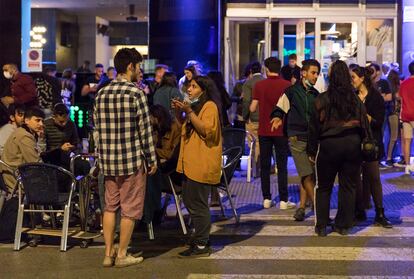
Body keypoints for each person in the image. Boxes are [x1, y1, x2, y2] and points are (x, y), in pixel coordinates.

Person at [94, 48, 157, 268]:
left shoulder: (101, 93)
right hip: (131, 161)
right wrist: (151, 159)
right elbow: (145, 130)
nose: (139, 71)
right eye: (138, 66)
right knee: (130, 209)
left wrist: (99, 157)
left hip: (108, 162)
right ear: (130, 67)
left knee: (110, 207)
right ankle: (121, 255)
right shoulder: (136, 93)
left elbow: (97, 130)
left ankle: (107, 254)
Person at [308, 60, 364, 236]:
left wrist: (311, 149)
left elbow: (313, 126)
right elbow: (363, 124)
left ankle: (322, 225)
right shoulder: (354, 99)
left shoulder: (322, 99)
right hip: (352, 146)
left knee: (324, 186)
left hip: (329, 146)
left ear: (331, 77)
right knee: (348, 186)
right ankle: (344, 225)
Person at [172, 76, 222, 258]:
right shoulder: (196, 107)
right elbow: (183, 131)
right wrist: (180, 113)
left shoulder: (209, 107)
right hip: (190, 164)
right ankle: (200, 238)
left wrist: (189, 112)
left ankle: (202, 244)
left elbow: (206, 131)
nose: (189, 90)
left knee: (198, 204)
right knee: (190, 202)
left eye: (194, 86)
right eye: (189, 86)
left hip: (201, 164)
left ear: (204, 90)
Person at [271, 59, 321, 221]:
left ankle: (301, 206)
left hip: (312, 138)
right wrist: (277, 117)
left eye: (317, 73)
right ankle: (318, 209)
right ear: (303, 73)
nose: (316, 76)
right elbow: (280, 107)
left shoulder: (316, 95)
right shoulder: (292, 91)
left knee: (307, 173)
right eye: (313, 73)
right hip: (296, 136)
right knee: (306, 173)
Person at [250, 57, 295, 210]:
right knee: (282, 165)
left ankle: (266, 198)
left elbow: (252, 108)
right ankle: (283, 200)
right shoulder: (287, 85)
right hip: (281, 130)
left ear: (266, 69)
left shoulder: (259, 85)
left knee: (264, 165)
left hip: (264, 129)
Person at [351, 66, 392, 228]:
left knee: (374, 177)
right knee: (355, 178)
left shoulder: (375, 97)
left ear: (361, 78)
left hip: (371, 143)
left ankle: (380, 212)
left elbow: (379, 122)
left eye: (353, 77)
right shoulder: (352, 96)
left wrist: (366, 117)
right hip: (353, 141)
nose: (351, 80)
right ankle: (359, 210)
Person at [1, 107, 44, 194]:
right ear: (27, 121)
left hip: (16, 173)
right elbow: (34, 162)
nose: (41, 124)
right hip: (16, 177)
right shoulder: (24, 136)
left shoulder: (22, 131)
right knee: (61, 178)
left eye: (42, 121)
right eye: (37, 120)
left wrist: (40, 138)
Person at [41, 104, 79, 170]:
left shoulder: (71, 124)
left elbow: (76, 143)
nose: (64, 124)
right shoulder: (45, 125)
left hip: (67, 157)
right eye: (61, 122)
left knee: (84, 165)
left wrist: (71, 147)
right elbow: (42, 150)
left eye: (66, 121)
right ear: (53, 117)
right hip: (50, 159)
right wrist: (60, 149)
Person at [242, 61, 264, 177]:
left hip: (253, 117)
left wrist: (244, 116)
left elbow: (246, 102)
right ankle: (261, 168)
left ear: (251, 71)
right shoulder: (265, 81)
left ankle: (254, 169)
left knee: (252, 144)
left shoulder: (248, 83)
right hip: (265, 118)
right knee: (261, 143)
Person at [382, 69, 401, 167]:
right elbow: (398, 98)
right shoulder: (396, 88)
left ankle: (389, 156)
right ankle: (389, 158)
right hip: (395, 114)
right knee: (394, 137)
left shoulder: (388, 86)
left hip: (390, 113)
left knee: (391, 136)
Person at [398, 61, 414, 173]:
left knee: (407, 141)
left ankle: (407, 166)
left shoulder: (404, 83)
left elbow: (401, 100)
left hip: (406, 115)